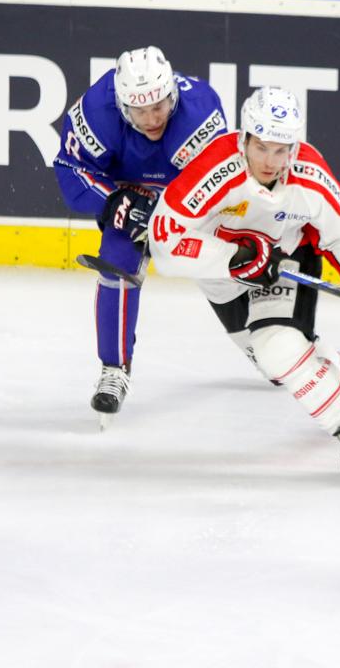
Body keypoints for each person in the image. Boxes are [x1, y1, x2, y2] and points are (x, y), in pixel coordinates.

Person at [146, 86, 340, 483]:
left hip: (287, 259)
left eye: (281, 149)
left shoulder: (308, 171)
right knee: (279, 366)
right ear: (244, 139)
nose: (271, 161)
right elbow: (164, 241)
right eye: (261, 148)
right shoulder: (215, 168)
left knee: (277, 349)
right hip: (220, 275)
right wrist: (233, 258)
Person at [53, 46, 228, 425]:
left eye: (159, 106)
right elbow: (71, 168)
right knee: (116, 262)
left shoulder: (201, 112)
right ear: (121, 105)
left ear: (173, 95)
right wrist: (112, 201)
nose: (152, 119)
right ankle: (114, 368)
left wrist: (171, 213)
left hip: (185, 200)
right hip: (128, 196)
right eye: (140, 111)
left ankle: (259, 338)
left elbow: (219, 181)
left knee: (229, 269)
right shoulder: (95, 113)